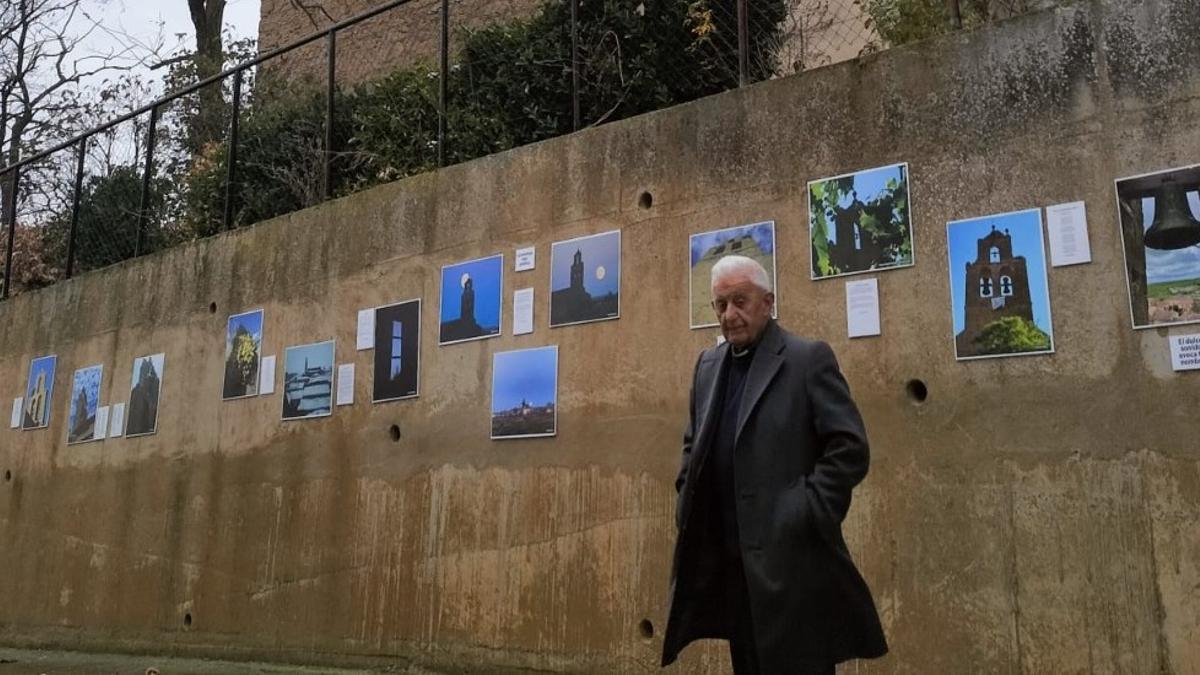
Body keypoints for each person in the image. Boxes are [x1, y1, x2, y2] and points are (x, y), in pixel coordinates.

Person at [661, 255, 887, 674]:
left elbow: (849, 447)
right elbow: (693, 442)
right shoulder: (708, 366)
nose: (730, 315)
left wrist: (804, 510)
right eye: (721, 304)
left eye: (740, 301)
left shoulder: (807, 359)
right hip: (733, 571)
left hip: (795, 570)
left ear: (768, 301)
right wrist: (685, 497)